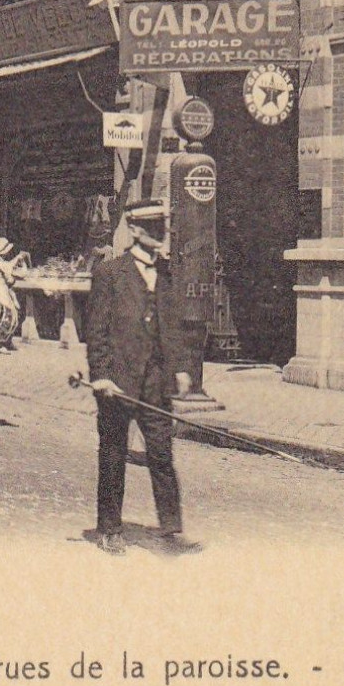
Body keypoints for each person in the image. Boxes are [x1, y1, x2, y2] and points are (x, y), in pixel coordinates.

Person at [84, 200, 193, 555]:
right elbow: (96, 331)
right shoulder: (111, 273)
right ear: (134, 230)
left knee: (161, 452)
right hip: (118, 381)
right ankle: (109, 528)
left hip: (155, 381)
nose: (161, 236)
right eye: (154, 230)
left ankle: (171, 527)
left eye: (162, 229)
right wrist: (101, 376)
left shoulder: (166, 273)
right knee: (113, 454)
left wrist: (179, 367)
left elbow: (170, 325)